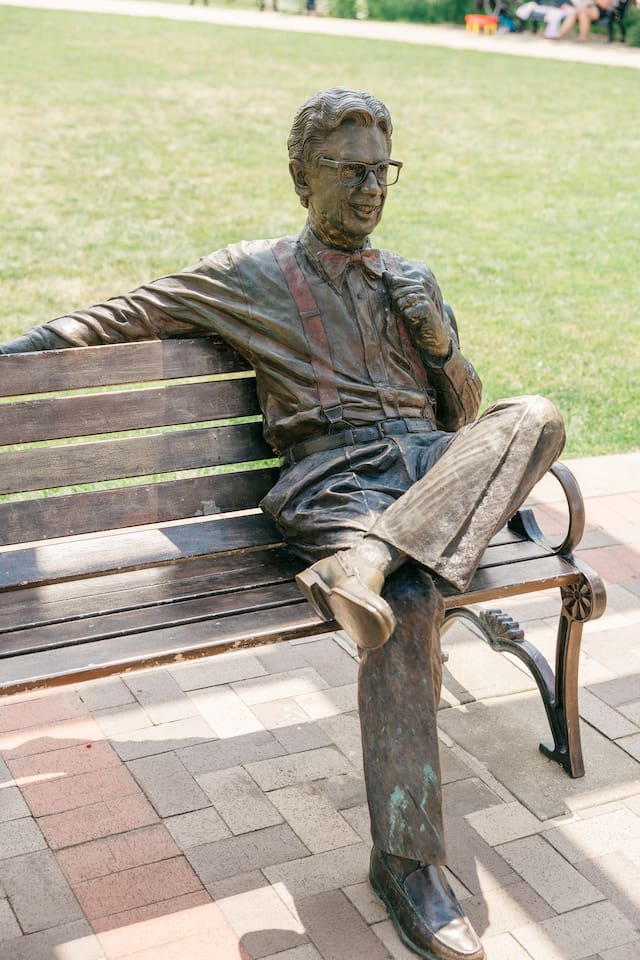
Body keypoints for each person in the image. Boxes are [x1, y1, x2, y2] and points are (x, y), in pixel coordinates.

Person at [0, 88, 565, 960]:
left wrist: (441, 342)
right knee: (410, 609)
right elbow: (110, 319)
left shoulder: (409, 276)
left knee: (537, 414)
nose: (372, 190)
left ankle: (368, 563)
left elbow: (464, 417)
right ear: (303, 178)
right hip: (334, 483)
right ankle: (409, 864)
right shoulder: (250, 274)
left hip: (425, 473)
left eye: (384, 171)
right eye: (351, 172)